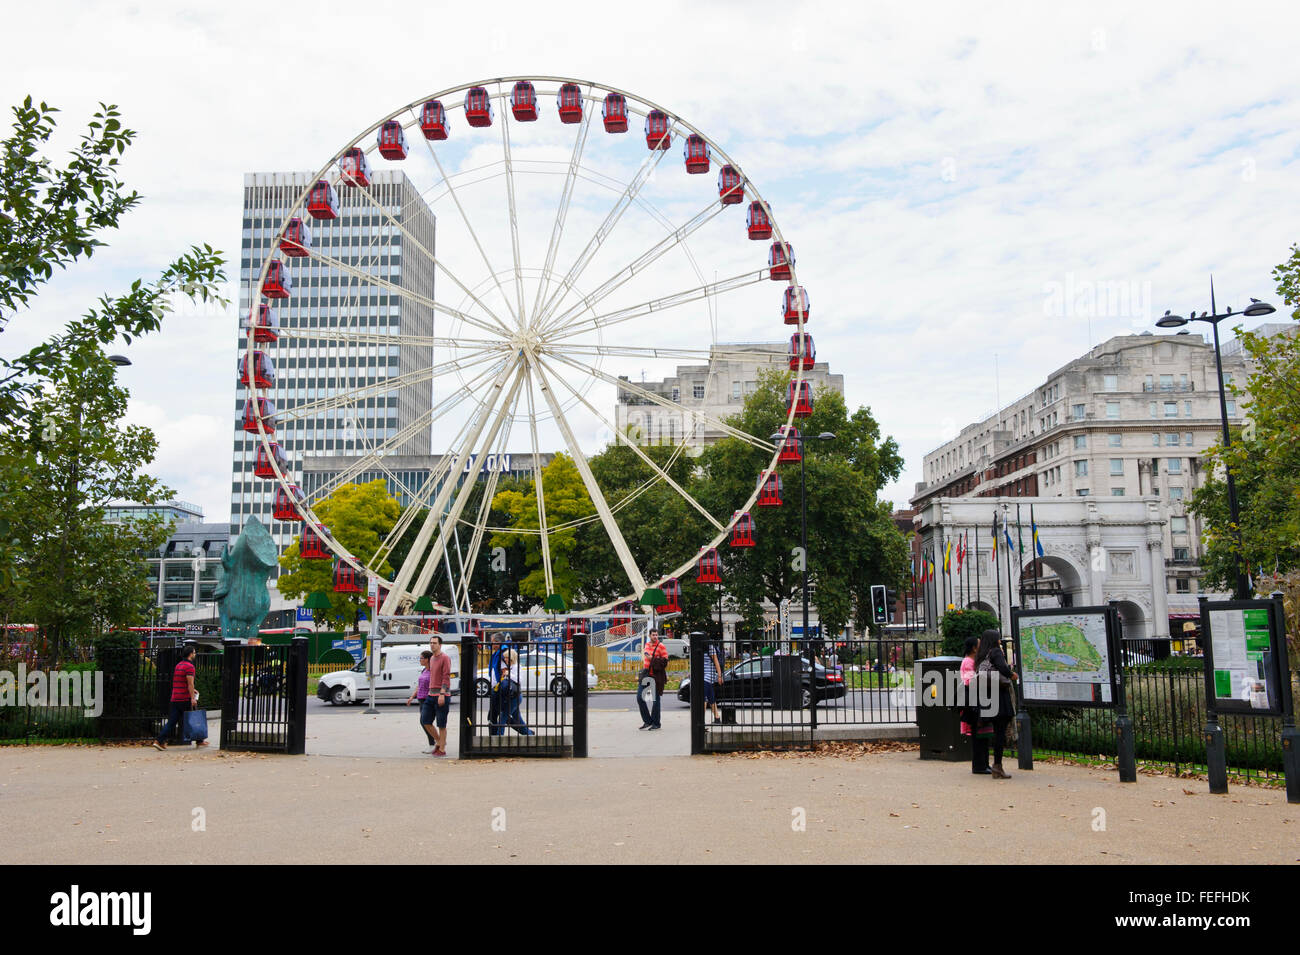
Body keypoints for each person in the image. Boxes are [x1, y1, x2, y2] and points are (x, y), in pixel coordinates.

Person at [975, 629, 1018, 779]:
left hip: (988, 695)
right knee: (1000, 732)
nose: (1000, 641)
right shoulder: (995, 652)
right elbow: (1003, 668)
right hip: (1000, 696)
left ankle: (989, 764)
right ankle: (997, 766)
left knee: (993, 732)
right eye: (998, 639)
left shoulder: (982, 655)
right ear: (994, 639)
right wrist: (1012, 674)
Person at [152, 644, 206, 751]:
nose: (195, 654)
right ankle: (200, 740)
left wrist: (191, 690)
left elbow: (180, 681)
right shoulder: (190, 667)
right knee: (193, 718)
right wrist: (192, 698)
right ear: (190, 654)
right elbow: (190, 683)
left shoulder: (179, 665)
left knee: (172, 721)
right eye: (194, 652)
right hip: (184, 698)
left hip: (175, 697)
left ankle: (159, 741)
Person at [958, 635, 991, 775]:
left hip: (977, 701)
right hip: (974, 703)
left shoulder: (973, 661)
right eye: (979, 644)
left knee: (983, 735)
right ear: (974, 648)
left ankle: (984, 763)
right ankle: (979, 765)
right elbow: (969, 681)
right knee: (978, 736)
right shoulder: (967, 662)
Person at [405, 650, 439, 752]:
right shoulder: (424, 670)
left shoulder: (433, 671)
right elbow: (419, 685)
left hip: (429, 699)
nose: (420, 660)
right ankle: (434, 743)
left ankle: (436, 742)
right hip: (421, 699)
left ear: (427, 659)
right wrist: (412, 697)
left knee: (425, 721)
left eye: (421, 658)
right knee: (424, 722)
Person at [424, 635, 453, 756]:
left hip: (442, 694)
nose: (432, 645)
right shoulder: (431, 659)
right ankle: (440, 742)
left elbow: (446, 677)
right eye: (431, 643)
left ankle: (442, 749)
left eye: (435, 643)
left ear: (440, 645)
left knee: (441, 723)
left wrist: (442, 693)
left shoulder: (445, 658)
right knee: (425, 720)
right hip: (431, 694)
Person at [497, 648, 534, 736]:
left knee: (503, 716)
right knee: (518, 719)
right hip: (512, 696)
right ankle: (529, 734)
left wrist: (508, 674)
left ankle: (499, 737)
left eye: (506, 657)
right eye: (504, 657)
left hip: (515, 696)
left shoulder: (517, 667)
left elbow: (518, 679)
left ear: (511, 658)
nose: (505, 659)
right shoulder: (510, 667)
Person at [638, 630, 669, 730]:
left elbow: (665, 660)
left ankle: (656, 723)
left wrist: (652, 658)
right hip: (646, 674)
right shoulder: (647, 644)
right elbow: (645, 654)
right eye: (653, 635)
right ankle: (647, 721)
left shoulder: (661, 646)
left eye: (656, 635)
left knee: (655, 700)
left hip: (655, 676)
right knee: (640, 698)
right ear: (649, 635)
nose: (655, 636)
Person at [486, 633, 505, 736]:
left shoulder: (503, 652)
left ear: (498, 643)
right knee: (508, 716)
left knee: (493, 715)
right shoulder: (495, 653)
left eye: (493, 642)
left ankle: (493, 737)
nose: (491, 644)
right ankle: (527, 732)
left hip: (499, 689)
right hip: (496, 688)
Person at [702, 637, 725, 723]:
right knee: (710, 697)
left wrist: (719, 676)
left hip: (708, 675)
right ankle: (717, 718)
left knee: (703, 698)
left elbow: (716, 661)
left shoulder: (710, 647)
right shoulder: (699, 647)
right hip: (702, 675)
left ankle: (701, 720)